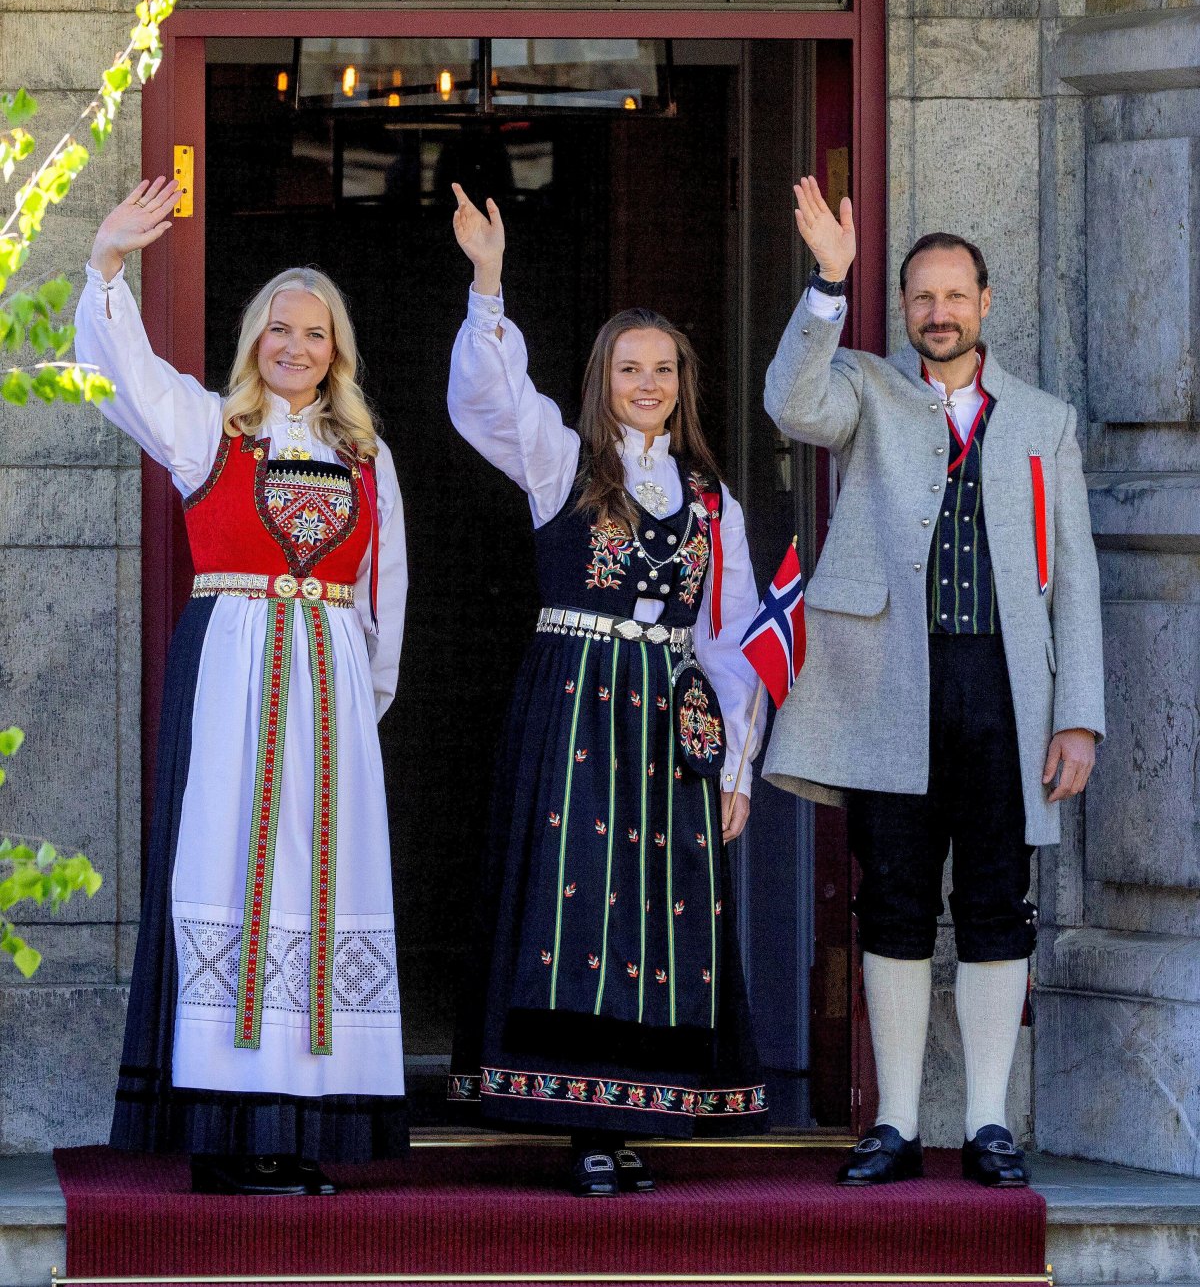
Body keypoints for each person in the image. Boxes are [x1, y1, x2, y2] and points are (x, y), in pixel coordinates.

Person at [763, 179, 1105, 1188]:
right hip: (885, 686)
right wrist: (831, 280)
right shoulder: (861, 386)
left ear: (987, 303)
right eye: (921, 298)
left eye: (956, 296)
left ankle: (991, 1124)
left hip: (1005, 691)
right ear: (904, 307)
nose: (939, 312)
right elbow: (789, 399)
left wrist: (1078, 715)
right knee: (896, 899)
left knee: (1000, 901)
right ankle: (897, 1125)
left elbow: (1075, 579)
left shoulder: (1045, 420)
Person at [77, 178, 409, 1195]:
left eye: (313, 332)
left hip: (331, 693)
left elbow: (384, 589)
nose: (295, 346)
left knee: (324, 882)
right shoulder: (207, 427)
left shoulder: (366, 456)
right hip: (232, 680)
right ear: (254, 340)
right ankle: (227, 1137)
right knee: (228, 869)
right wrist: (106, 264)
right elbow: (120, 371)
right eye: (279, 328)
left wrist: (359, 700)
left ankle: (299, 1131)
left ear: (337, 349)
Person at [445, 185, 769, 1196]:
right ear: (601, 380)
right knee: (573, 907)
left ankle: (638, 1110)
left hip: (670, 723)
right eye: (629, 368)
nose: (647, 382)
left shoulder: (713, 500)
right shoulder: (560, 461)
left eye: (662, 368)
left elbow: (728, 637)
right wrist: (488, 285)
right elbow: (491, 397)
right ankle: (579, 1120)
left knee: (658, 916)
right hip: (576, 706)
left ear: (684, 381)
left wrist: (736, 765)